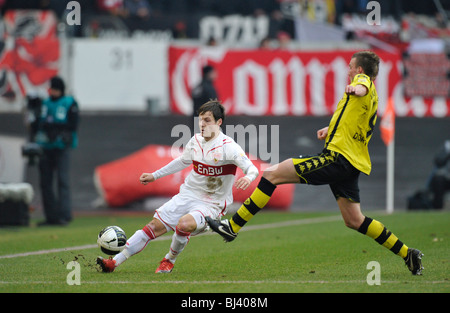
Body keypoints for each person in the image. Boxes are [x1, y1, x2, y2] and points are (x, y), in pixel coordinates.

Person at [206, 51, 424, 276]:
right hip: (351, 162)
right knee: (354, 220)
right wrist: (331, 130)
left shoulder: (362, 83)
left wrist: (355, 87)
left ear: (359, 69)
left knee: (271, 174)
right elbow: (354, 122)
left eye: (351, 66)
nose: (348, 70)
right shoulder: (370, 99)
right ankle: (408, 253)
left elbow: (362, 85)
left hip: (337, 158)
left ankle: (232, 227)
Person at [97, 100, 259, 273]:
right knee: (152, 227)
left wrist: (249, 178)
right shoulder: (196, 141)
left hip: (211, 204)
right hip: (187, 195)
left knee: (183, 225)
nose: (202, 124)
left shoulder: (229, 147)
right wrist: (154, 175)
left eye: (207, 120)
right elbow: (182, 161)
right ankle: (113, 262)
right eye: (201, 120)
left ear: (219, 123)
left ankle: (169, 260)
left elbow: (252, 168)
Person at [34, 76, 79, 226]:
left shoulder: (69, 103)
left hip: (61, 147)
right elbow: (37, 123)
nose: (53, 92)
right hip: (46, 146)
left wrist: (57, 129)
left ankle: (64, 214)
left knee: (62, 180)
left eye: (55, 89)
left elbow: (73, 124)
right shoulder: (45, 103)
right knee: (45, 182)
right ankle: (51, 216)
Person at [191, 65, 218, 131]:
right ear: (209, 74)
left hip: (196, 119)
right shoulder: (209, 88)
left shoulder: (197, 87)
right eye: (213, 73)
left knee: (198, 139)